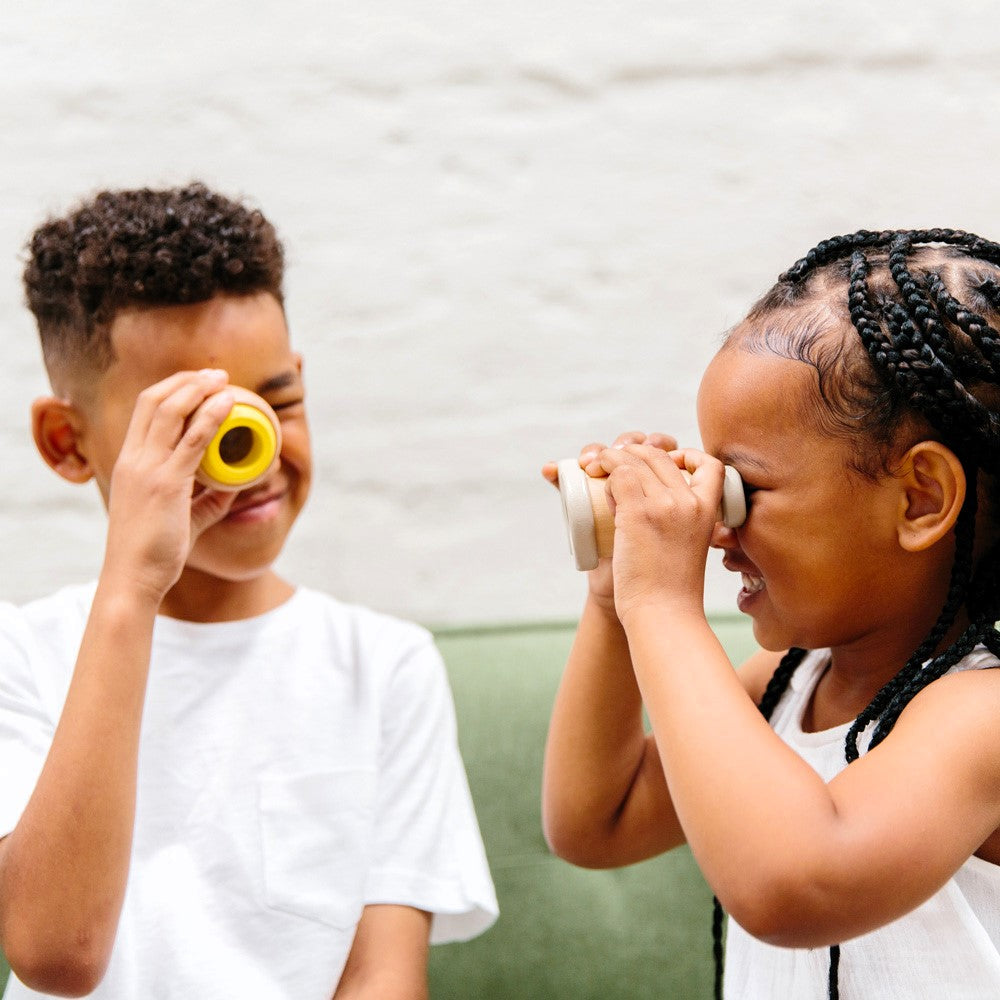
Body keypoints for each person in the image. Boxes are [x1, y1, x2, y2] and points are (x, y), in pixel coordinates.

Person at [0, 183, 497, 999]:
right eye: (188, 425)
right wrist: (131, 585)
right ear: (68, 441)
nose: (251, 455)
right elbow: (59, 953)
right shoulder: (22, 657)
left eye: (278, 403)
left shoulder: (384, 667)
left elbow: (383, 977)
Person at [542, 230, 1000, 999]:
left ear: (919, 499)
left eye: (742, 490)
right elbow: (597, 823)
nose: (715, 525)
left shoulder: (980, 717)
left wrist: (662, 602)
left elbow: (793, 884)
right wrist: (616, 599)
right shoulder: (789, 687)